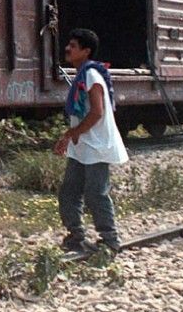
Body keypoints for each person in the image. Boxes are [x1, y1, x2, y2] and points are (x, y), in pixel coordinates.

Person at [53, 28, 128, 254]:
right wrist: (70, 136)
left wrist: (73, 133)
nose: (68, 48)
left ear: (86, 51)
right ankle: (76, 236)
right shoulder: (82, 74)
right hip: (83, 145)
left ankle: (110, 239)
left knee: (96, 192)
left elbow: (97, 112)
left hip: (96, 144)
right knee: (69, 191)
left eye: (73, 46)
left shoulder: (92, 75)